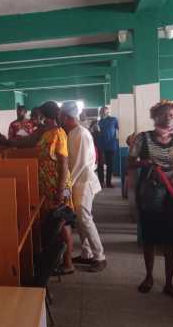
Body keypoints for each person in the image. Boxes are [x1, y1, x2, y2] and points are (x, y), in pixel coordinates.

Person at [129, 101, 173, 300]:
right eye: (163, 114)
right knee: (149, 238)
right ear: (154, 116)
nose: (168, 118)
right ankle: (148, 277)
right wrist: (145, 163)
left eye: (172, 115)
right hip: (148, 192)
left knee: (170, 239)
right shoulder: (143, 138)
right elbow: (130, 163)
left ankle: (169, 283)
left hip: (171, 194)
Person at [12, 101, 75, 274]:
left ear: (45, 116)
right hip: (48, 187)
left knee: (62, 223)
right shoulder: (46, 132)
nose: (36, 119)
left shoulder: (58, 134)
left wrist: (60, 191)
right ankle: (58, 260)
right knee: (55, 225)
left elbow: (63, 165)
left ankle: (68, 263)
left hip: (58, 187)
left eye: (39, 116)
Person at [59, 101, 106, 272]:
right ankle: (87, 254)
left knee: (85, 220)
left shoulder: (81, 134)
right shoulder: (72, 133)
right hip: (77, 182)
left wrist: (66, 187)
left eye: (61, 116)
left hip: (83, 182)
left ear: (66, 117)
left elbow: (80, 165)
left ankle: (100, 257)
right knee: (80, 221)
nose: (59, 119)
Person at [95, 105, 119, 188]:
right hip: (100, 145)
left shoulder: (114, 120)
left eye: (104, 111)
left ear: (108, 112)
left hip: (111, 145)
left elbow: (119, 129)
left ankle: (108, 182)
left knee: (110, 164)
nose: (102, 113)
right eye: (101, 111)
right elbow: (95, 133)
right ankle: (101, 182)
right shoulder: (98, 122)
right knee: (100, 164)